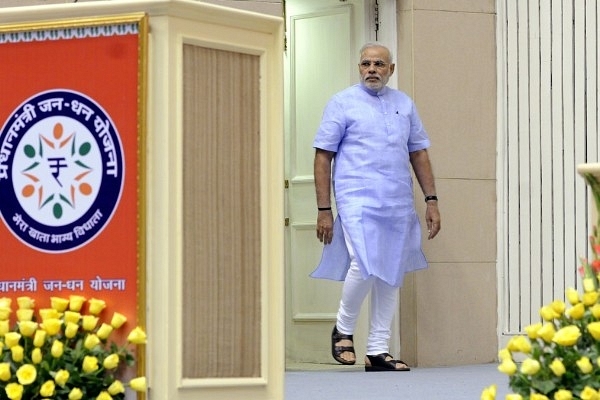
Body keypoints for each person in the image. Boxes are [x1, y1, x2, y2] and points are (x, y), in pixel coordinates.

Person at [311, 42, 441, 372]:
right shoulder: (342, 103)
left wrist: (431, 200)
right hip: (357, 197)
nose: (372, 69)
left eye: (379, 64)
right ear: (359, 67)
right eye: (366, 63)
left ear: (391, 69)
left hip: (397, 199)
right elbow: (323, 154)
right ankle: (343, 328)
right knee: (365, 264)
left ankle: (378, 350)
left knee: (391, 271)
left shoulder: (404, 104)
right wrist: (324, 208)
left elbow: (419, 153)